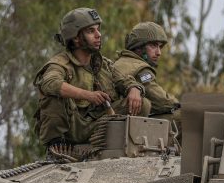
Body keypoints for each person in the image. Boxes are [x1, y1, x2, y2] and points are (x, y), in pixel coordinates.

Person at [33, 8, 147, 148]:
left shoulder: (102, 64)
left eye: (98, 29)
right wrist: (88, 95)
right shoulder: (60, 64)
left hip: (99, 125)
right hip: (73, 129)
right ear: (75, 38)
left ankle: (123, 146)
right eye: (91, 31)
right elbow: (50, 83)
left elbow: (124, 80)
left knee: (143, 104)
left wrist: (134, 89)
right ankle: (56, 147)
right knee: (53, 97)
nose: (98, 35)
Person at [113, 22, 181, 133]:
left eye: (160, 47)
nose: (158, 52)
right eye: (153, 46)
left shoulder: (122, 62)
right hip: (121, 126)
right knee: (182, 116)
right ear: (138, 47)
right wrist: (178, 104)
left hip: (119, 120)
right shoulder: (140, 68)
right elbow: (160, 101)